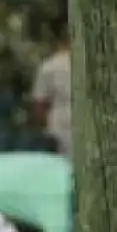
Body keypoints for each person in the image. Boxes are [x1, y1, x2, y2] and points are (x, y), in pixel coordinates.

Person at [31, 21, 73, 158]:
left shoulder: (49, 66)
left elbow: (40, 103)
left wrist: (42, 128)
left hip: (58, 129)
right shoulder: (88, 63)